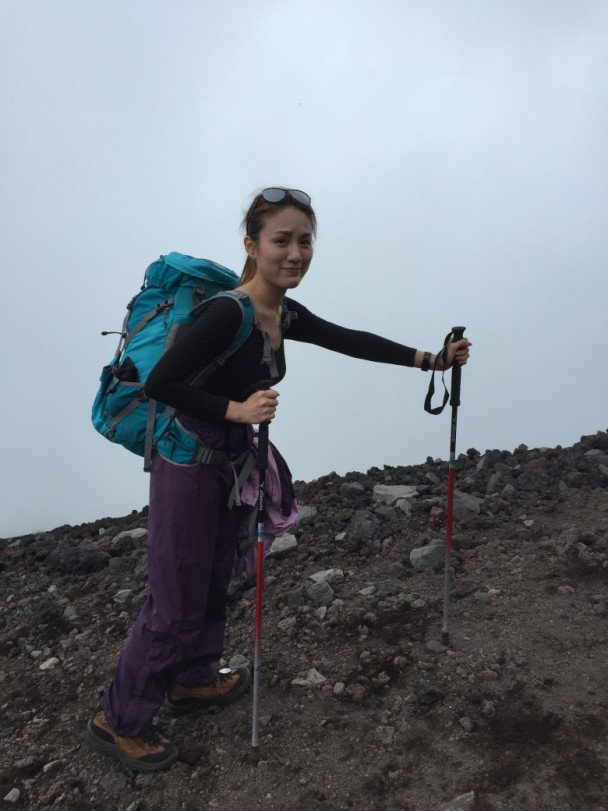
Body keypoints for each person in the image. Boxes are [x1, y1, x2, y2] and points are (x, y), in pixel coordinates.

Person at [86, 187, 471, 771]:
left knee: (213, 576)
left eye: (305, 241)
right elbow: (162, 383)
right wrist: (236, 411)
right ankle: (118, 720)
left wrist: (432, 360)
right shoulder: (227, 312)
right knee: (175, 597)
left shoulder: (283, 313)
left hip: (229, 464)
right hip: (186, 465)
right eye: (282, 241)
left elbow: (349, 340)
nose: (295, 253)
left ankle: (191, 680)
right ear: (252, 246)